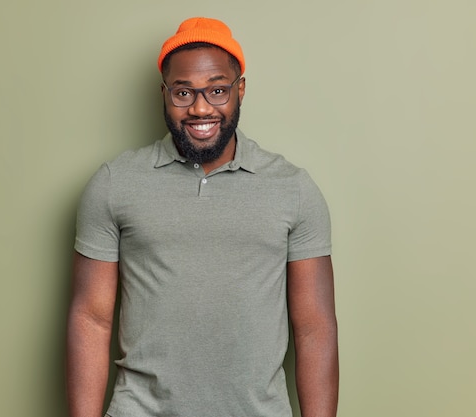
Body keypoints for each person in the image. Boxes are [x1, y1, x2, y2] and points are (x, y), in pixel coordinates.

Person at [66, 17, 338, 417]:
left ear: (239, 89)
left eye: (217, 90)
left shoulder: (292, 188)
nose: (199, 107)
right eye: (183, 92)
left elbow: (315, 328)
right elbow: (91, 319)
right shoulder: (114, 185)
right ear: (164, 93)